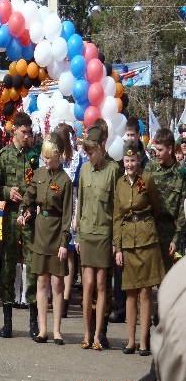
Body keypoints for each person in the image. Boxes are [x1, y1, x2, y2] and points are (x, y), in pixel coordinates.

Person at [17, 132, 72, 345]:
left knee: (57, 284)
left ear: (57, 155)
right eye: (43, 156)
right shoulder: (39, 174)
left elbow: (67, 214)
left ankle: (57, 330)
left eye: (48, 156)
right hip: (40, 231)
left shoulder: (64, 180)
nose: (45, 159)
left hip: (57, 231)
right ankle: (43, 329)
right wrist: (24, 211)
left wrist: (64, 242)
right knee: (41, 281)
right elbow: (29, 196)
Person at [113, 140, 164, 355]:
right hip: (128, 243)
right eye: (126, 160)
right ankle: (131, 341)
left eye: (133, 160)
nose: (130, 164)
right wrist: (118, 247)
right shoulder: (120, 184)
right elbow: (117, 216)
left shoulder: (148, 179)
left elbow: (156, 208)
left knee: (145, 292)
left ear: (139, 159)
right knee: (130, 293)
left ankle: (144, 342)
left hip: (147, 240)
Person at [0, 111, 40, 338]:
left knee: (31, 266)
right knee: (8, 264)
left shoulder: (34, 155)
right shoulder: (4, 156)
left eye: (29, 133)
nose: (27, 136)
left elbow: (40, 184)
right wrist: (7, 191)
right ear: (14, 132)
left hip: (29, 218)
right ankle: (7, 320)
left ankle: (33, 320)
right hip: (11, 217)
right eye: (23, 132)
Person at [76, 126, 121, 350]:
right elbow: (80, 203)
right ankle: (86, 334)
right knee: (88, 285)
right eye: (87, 152)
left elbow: (116, 208)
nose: (89, 156)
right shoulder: (84, 169)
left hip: (104, 234)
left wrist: (115, 241)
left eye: (92, 152)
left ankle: (97, 336)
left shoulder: (113, 170)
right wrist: (77, 236)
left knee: (102, 284)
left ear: (100, 149)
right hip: (86, 233)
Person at [145, 128, 186, 274]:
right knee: (147, 282)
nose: (157, 153)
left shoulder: (180, 174)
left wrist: (176, 239)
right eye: (156, 149)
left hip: (169, 233)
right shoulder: (150, 168)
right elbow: (140, 193)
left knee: (166, 282)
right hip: (150, 230)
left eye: (160, 150)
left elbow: (183, 210)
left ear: (170, 149)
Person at [54, 122, 82, 319]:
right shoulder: (52, 158)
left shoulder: (76, 160)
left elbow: (79, 190)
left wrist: (75, 217)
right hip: (55, 209)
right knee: (56, 251)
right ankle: (55, 292)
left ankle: (65, 296)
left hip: (70, 207)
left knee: (70, 255)